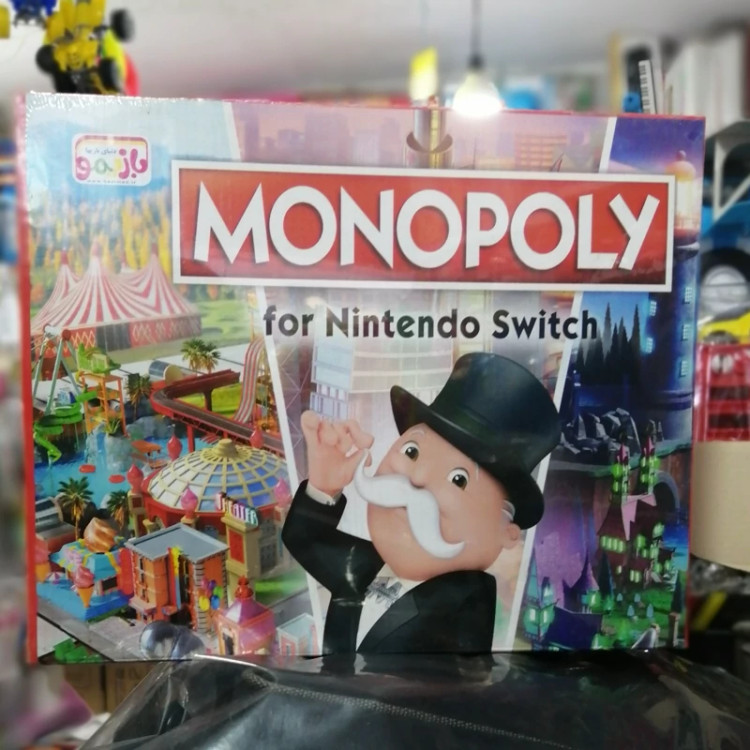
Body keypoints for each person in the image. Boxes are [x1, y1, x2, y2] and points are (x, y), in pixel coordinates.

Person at [282, 352, 560, 654]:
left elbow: (455, 674)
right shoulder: (366, 568)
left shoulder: (462, 606)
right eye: (411, 452)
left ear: (506, 532)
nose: (417, 478)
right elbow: (305, 538)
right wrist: (323, 486)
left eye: (458, 479)